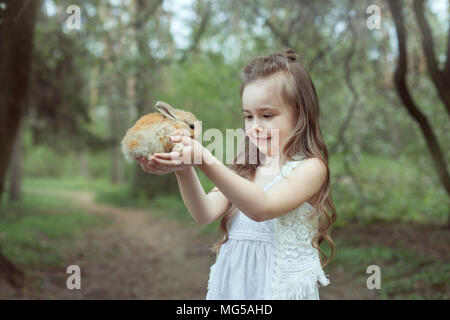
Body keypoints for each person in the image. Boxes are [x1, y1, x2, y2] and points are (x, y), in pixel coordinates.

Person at [137, 48, 337, 300]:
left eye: (267, 115)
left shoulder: (309, 168)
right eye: (248, 117)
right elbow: (204, 213)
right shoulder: (246, 169)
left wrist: (205, 160)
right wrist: (184, 168)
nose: (255, 127)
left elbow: (261, 208)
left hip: (277, 291)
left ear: (301, 114)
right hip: (234, 289)